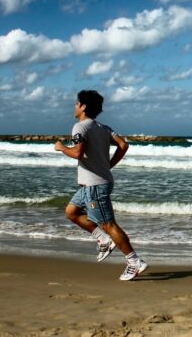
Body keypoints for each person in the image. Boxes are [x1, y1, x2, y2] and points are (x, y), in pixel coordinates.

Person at [54, 90, 148, 281]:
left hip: (95, 186)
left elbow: (78, 153)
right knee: (71, 212)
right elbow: (123, 145)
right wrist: (109, 165)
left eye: (76, 103)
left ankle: (134, 261)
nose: (74, 106)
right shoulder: (104, 128)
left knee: (109, 224)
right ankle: (103, 239)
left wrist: (61, 148)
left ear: (83, 106)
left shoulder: (79, 127)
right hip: (93, 185)